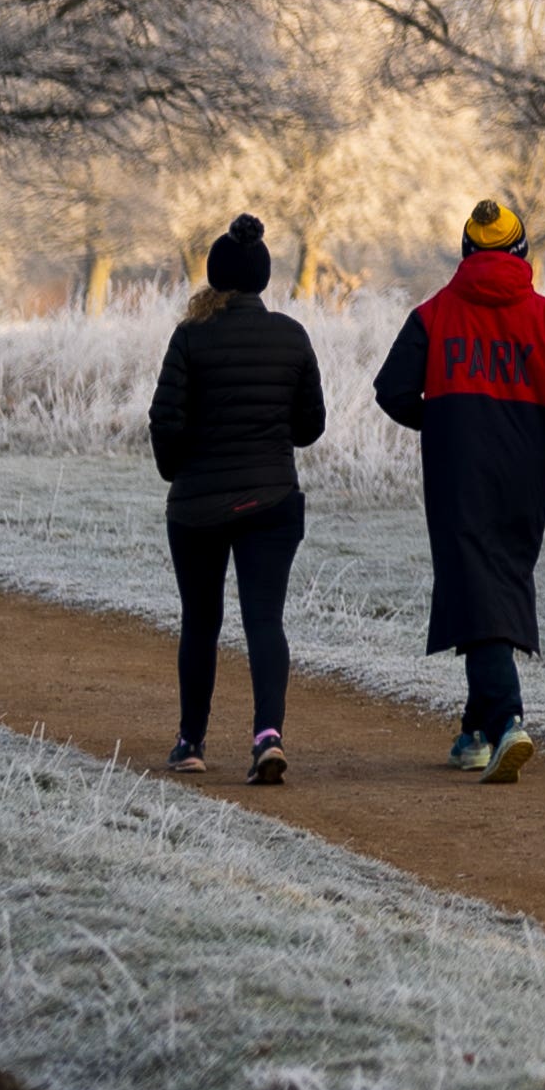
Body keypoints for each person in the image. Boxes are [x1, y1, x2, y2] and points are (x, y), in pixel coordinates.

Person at [372, 193, 545, 780]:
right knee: (495, 582)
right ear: (522, 252)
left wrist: (442, 418)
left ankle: (507, 722)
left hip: (457, 469)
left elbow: (392, 390)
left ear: (467, 250)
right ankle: (474, 731)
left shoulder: (433, 314)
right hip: (528, 473)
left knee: (477, 590)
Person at [142, 213, 324, 786]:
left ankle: (190, 741)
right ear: (263, 278)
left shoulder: (190, 336)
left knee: (201, 621)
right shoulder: (292, 336)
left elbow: (164, 420)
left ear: (214, 278)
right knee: (264, 620)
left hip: (196, 507)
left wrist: (179, 473)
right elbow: (310, 426)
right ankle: (267, 736)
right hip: (271, 501)